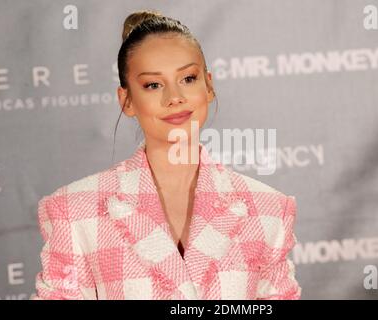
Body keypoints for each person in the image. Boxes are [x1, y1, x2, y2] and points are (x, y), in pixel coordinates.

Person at [31, 10, 302, 300]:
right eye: (153, 84)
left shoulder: (268, 209)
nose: (174, 97)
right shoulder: (74, 211)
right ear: (127, 101)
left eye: (187, 78)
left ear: (208, 86)